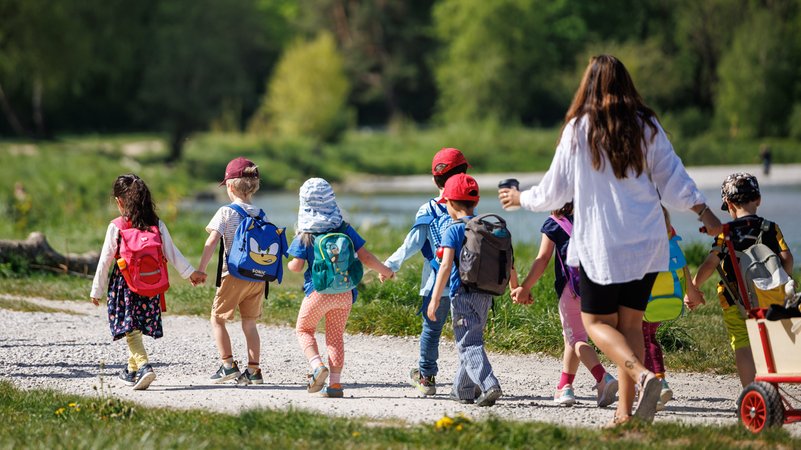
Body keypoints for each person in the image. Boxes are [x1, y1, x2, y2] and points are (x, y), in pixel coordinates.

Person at [498, 55, 721, 425]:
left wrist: (521, 199)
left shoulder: (579, 128)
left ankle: (642, 374)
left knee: (597, 323)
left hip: (603, 245)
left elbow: (555, 192)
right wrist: (704, 212)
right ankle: (625, 413)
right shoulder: (646, 124)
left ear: (588, 85)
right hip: (649, 243)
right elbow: (673, 178)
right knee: (631, 325)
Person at [90, 174, 205, 390]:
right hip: (150, 287)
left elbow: (105, 261)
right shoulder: (156, 225)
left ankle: (144, 367)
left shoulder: (116, 226)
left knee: (130, 328)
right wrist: (191, 273)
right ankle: (131, 371)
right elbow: (172, 253)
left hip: (125, 285)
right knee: (135, 327)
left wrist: (96, 290)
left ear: (119, 201)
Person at [287, 177, 394, 398]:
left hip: (318, 292)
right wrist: (385, 270)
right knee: (335, 337)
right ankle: (335, 385)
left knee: (304, 330)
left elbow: (296, 267)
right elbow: (365, 256)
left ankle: (317, 367)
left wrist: (289, 262)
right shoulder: (344, 228)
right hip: (345, 293)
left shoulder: (305, 234)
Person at [688, 172, 794, 388]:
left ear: (728, 204)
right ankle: (770, 386)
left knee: (742, 343)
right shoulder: (770, 228)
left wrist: (694, 288)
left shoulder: (726, 233)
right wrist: (786, 279)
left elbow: (710, 264)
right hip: (768, 297)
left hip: (734, 300)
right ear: (758, 200)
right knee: (768, 339)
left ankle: (750, 389)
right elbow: (787, 258)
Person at [381, 147, 470, 396]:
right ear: (464, 175)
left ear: (435, 179)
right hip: (468, 284)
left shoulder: (428, 210)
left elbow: (413, 243)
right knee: (466, 332)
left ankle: (427, 378)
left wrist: (390, 265)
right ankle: (470, 378)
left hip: (435, 284)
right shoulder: (470, 206)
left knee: (431, 331)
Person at [511, 202, 619, 408]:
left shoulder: (554, 224)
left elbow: (542, 259)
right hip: (599, 288)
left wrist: (524, 287)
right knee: (573, 337)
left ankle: (603, 378)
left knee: (577, 338)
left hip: (572, 291)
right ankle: (565, 387)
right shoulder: (594, 220)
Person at [428, 174, 506, 407]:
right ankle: (462, 390)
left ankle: (489, 384)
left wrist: (434, 299)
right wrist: (516, 285)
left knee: (468, 344)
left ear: (450, 203)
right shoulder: (487, 227)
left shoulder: (453, 230)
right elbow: (507, 262)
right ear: (477, 200)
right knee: (471, 337)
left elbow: (444, 267)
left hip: (462, 295)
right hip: (486, 295)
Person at [197, 157, 269, 385]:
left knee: (217, 319)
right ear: (254, 186)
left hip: (233, 275)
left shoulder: (226, 212)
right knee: (249, 323)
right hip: (258, 277)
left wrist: (201, 269)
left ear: (229, 186)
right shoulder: (261, 214)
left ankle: (228, 365)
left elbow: (211, 242)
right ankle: (254, 371)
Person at [642, 207, 706, 411]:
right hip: (667, 301)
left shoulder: (640, 239)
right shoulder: (671, 237)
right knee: (650, 339)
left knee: (642, 341)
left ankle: (658, 385)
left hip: (645, 303)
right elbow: (683, 265)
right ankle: (656, 381)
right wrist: (692, 291)